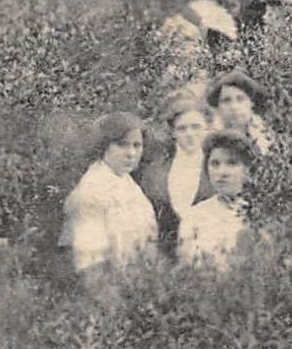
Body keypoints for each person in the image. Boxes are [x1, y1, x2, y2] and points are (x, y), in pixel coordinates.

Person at [59, 112, 158, 274]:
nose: (131, 153)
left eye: (136, 145)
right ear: (103, 145)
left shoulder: (129, 184)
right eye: (122, 145)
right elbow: (89, 265)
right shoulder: (90, 192)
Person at [139, 88, 211, 254]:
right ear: (173, 132)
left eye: (196, 127)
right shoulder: (154, 171)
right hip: (164, 260)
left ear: (207, 128)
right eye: (182, 128)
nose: (190, 134)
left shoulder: (218, 168)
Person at [178, 130, 257, 268]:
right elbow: (187, 270)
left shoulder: (263, 213)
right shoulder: (195, 216)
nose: (222, 172)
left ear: (248, 169)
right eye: (215, 164)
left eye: (232, 163)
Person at [209, 70, 277, 157]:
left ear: (251, 103)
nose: (234, 107)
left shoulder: (266, 138)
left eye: (240, 99)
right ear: (218, 107)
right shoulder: (212, 141)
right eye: (226, 100)